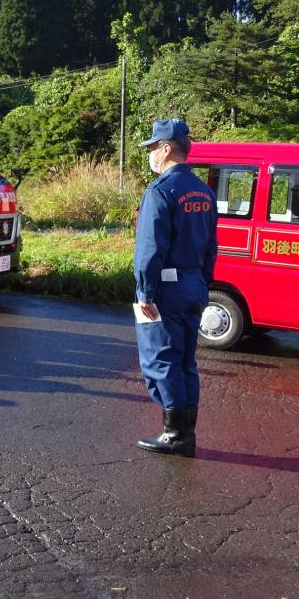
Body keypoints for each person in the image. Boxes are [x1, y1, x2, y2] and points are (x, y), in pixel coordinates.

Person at [132, 119, 218, 457]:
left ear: (167, 148)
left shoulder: (161, 191)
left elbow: (149, 251)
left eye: (153, 147)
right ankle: (187, 433)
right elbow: (212, 246)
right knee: (185, 361)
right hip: (194, 284)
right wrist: (202, 281)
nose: (151, 154)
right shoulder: (204, 191)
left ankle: (174, 434)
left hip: (165, 290)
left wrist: (144, 293)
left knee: (160, 359)